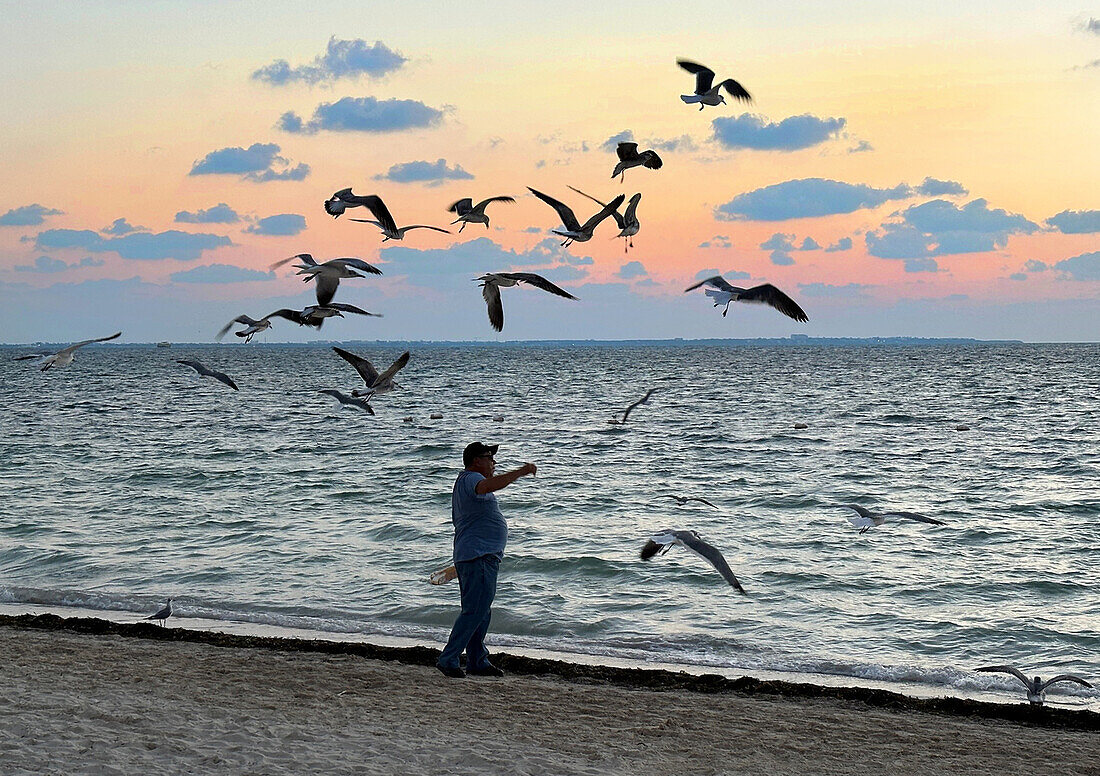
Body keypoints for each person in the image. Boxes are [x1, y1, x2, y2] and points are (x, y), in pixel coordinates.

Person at [436, 441, 536, 678]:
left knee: (481, 610)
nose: (493, 462)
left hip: (477, 554)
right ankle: (449, 658)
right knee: (475, 610)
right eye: (489, 457)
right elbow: (487, 486)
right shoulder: (471, 478)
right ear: (475, 461)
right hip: (477, 555)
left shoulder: (466, 481)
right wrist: (520, 472)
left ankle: (476, 660)